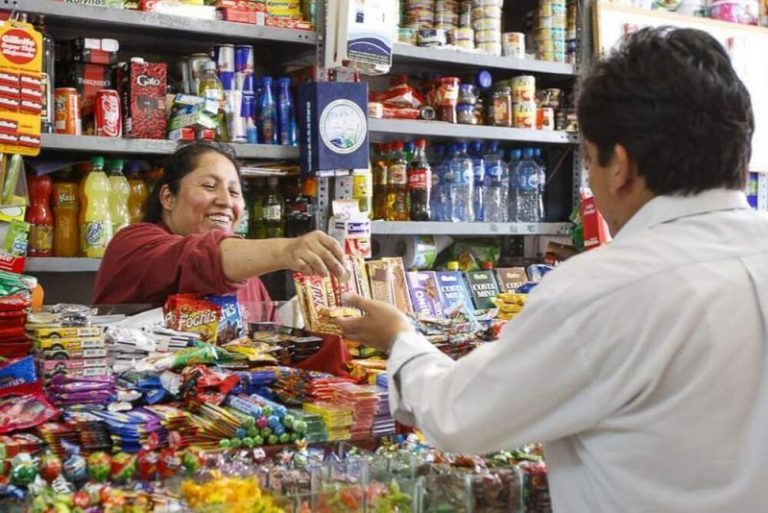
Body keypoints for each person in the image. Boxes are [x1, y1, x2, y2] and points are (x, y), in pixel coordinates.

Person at [336, 27, 768, 512]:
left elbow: (460, 415)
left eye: (586, 161)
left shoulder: (605, 289)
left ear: (619, 165)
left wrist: (400, 338)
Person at [93, 142, 348, 315]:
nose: (226, 201)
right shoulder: (134, 244)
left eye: (235, 191)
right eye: (209, 186)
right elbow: (198, 257)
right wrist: (287, 249)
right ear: (168, 197)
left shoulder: (246, 274)